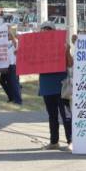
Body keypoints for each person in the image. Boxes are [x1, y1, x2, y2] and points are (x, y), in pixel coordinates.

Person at [36, 21, 72, 151]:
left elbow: (70, 64)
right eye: (43, 30)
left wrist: (67, 50)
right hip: (46, 86)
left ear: (54, 31)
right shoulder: (37, 47)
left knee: (66, 115)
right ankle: (54, 141)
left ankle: (71, 141)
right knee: (52, 116)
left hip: (62, 86)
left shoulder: (62, 45)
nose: (46, 31)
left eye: (49, 29)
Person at [0, 27, 22, 104]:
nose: (7, 36)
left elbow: (15, 41)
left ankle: (18, 100)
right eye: (6, 34)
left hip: (13, 65)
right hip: (5, 65)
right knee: (2, 81)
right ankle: (11, 97)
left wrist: (9, 30)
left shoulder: (15, 42)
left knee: (14, 83)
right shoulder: (5, 42)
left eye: (8, 34)